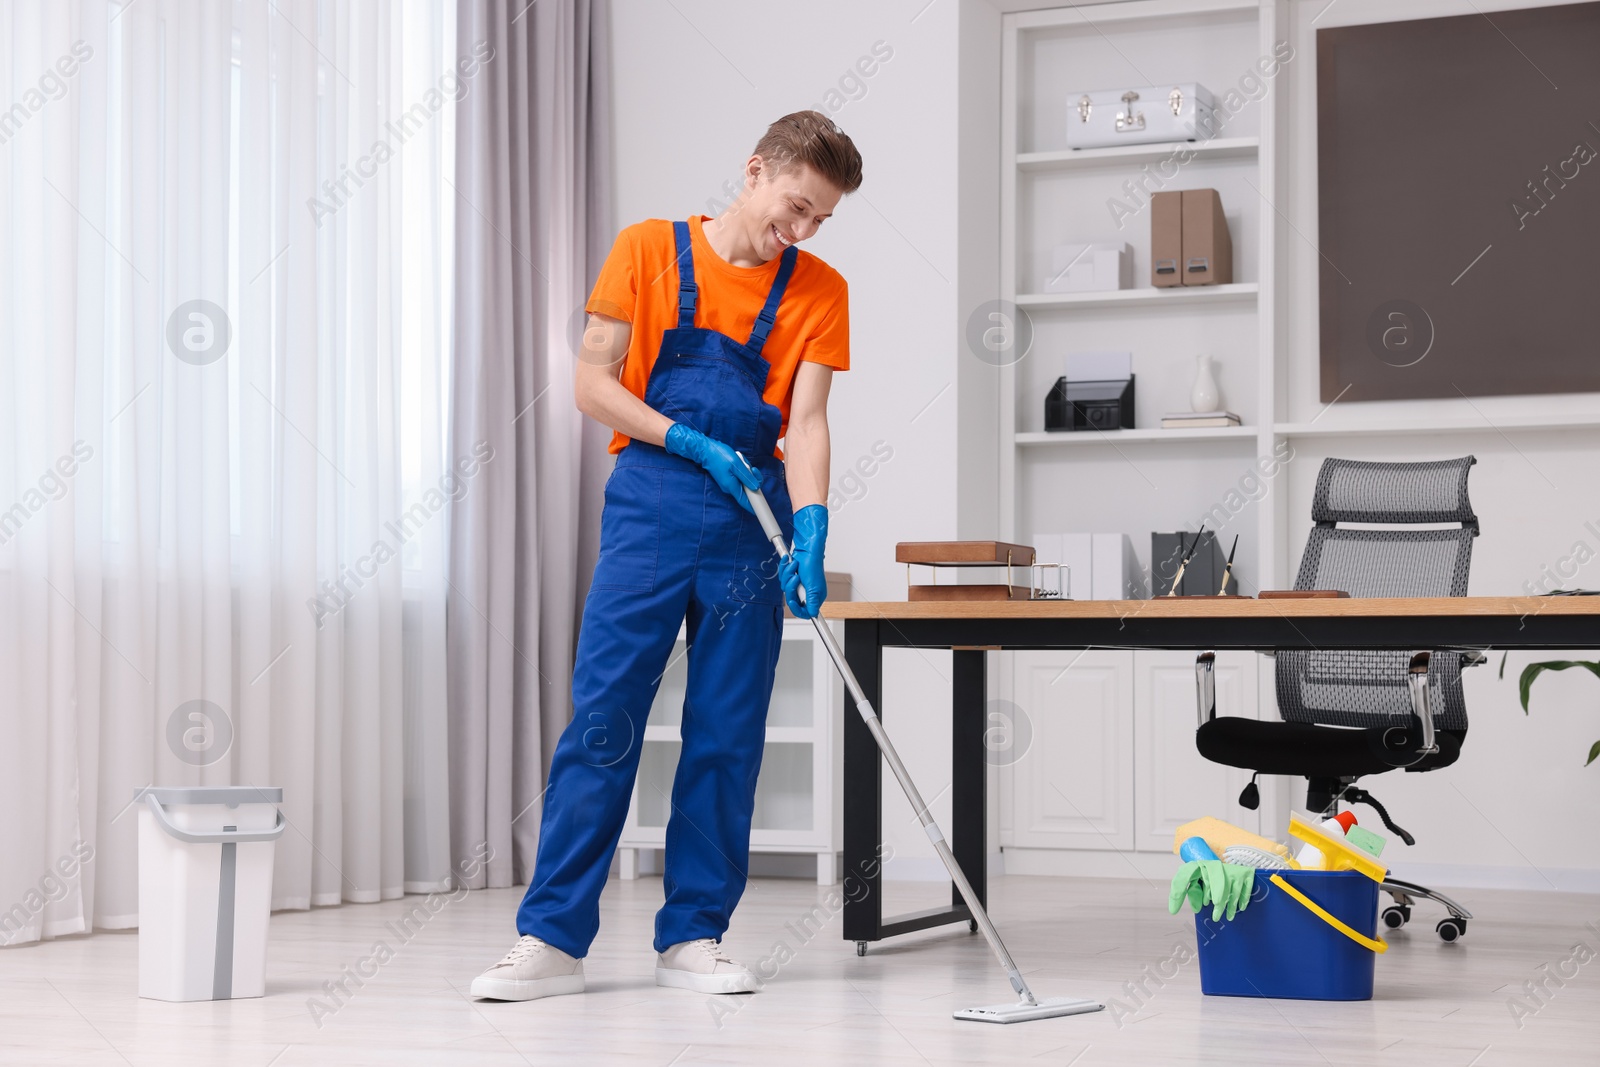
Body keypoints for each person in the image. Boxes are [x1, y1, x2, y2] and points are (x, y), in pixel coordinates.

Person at [471, 111, 861, 1001]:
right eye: (795, 206)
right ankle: (551, 940)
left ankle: (693, 935)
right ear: (756, 169)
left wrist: (810, 521)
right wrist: (687, 438)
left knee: (727, 734)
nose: (799, 231)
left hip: (749, 523)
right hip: (649, 506)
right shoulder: (647, 250)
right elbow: (592, 382)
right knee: (604, 722)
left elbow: (805, 422)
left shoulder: (821, 291)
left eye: (819, 221)